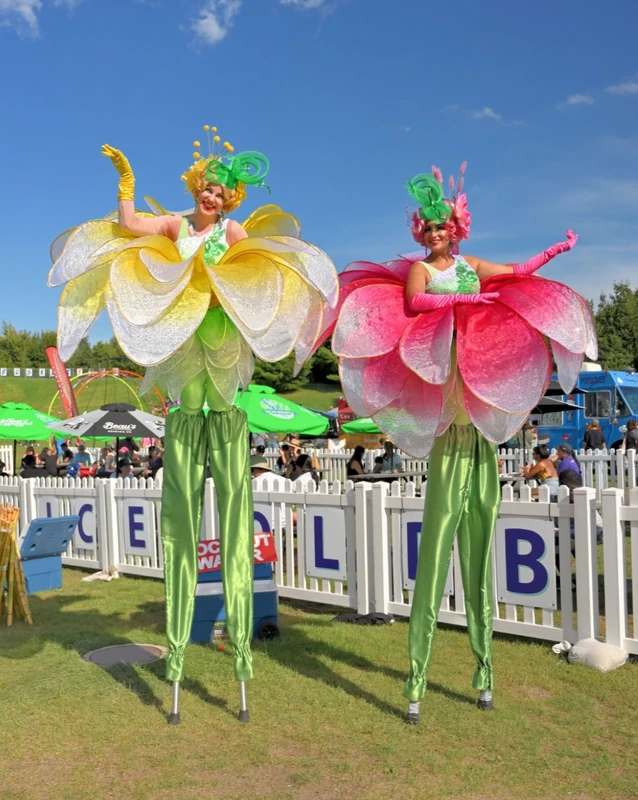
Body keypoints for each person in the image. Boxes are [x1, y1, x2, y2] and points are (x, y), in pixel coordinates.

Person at [48, 127, 337, 722]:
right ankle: (177, 651)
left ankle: (240, 660)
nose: (211, 193)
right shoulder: (177, 226)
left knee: (233, 512)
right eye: (206, 185)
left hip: (223, 360)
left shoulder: (231, 233)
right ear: (195, 187)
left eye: (221, 189)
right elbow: (131, 226)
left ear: (230, 198)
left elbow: (254, 274)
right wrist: (127, 184)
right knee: (180, 515)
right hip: (184, 369)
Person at [310, 163, 595, 723]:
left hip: (476, 413)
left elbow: (515, 270)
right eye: (430, 228)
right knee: (438, 548)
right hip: (444, 406)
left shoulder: (471, 266)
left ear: (456, 228)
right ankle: (416, 677)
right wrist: (464, 305)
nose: (437, 234)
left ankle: (484, 671)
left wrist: (555, 252)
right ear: (422, 232)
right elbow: (416, 305)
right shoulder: (422, 273)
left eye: (444, 227)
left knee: (480, 546)